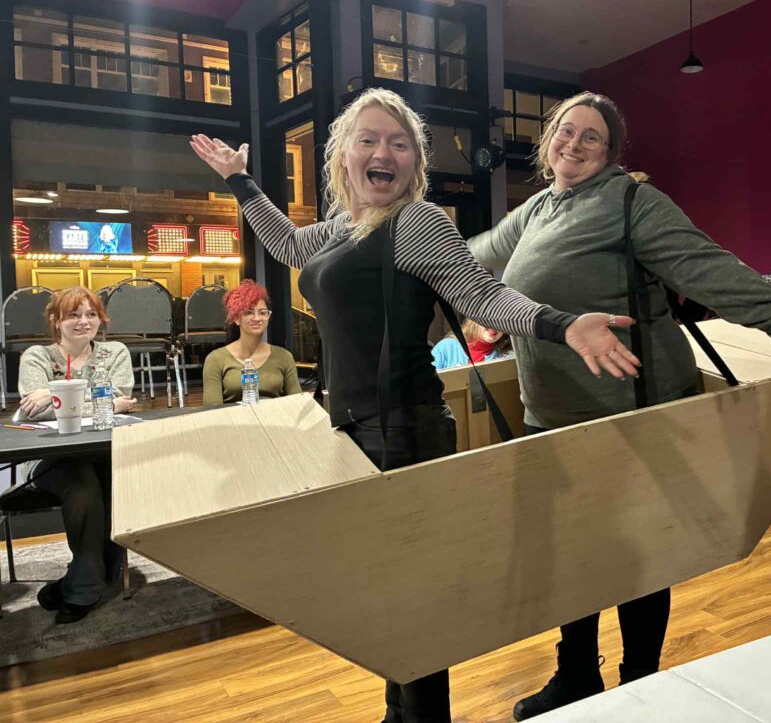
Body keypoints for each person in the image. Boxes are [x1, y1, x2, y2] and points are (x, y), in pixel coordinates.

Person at [190, 87, 640, 723]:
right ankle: (398, 714)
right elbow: (289, 245)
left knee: (414, 603)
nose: (384, 152)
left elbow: (482, 295)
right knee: (385, 596)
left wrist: (561, 325)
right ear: (343, 154)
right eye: (369, 139)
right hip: (351, 430)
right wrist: (241, 183)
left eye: (399, 144)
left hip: (404, 431)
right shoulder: (346, 227)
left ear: (415, 163)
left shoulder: (415, 223)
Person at [466, 92, 771, 720]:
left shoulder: (632, 202)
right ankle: (576, 676)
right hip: (554, 416)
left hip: (631, 413)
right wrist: (397, 245)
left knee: (636, 555)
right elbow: (464, 260)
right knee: (573, 555)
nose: (573, 144)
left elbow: (709, 270)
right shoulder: (538, 209)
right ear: (547, 142)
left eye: (591, 137)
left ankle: (640, 685)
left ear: (612, 152)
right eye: (565, 131)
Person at [17, 286, 137, 623]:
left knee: (119, 481)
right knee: (84, 488)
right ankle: (86, 587)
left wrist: (57, 394)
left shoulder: (115, 353)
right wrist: (103, 400)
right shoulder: (37, 357)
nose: (83, 322)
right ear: (56, 321)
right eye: (73, 315)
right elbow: (35, 413)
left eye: (91, 314)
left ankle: (78, 578)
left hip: (107, 453)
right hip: (57, 460)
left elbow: (121, 399)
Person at [202, 280, 301, 404]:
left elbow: (297, 404)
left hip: (275, 420)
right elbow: (212, 411)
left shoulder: (284, 357)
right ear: (236, 319)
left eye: (263, 313)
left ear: (268, 317)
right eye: (249, 313)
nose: (257, 318)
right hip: (233, 421)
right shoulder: (215, 359)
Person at [431, 318, 512, 370]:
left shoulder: (507, 358)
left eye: (502, 320)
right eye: (491, 318)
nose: (495, 326)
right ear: (475, 318)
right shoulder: (445, 348)